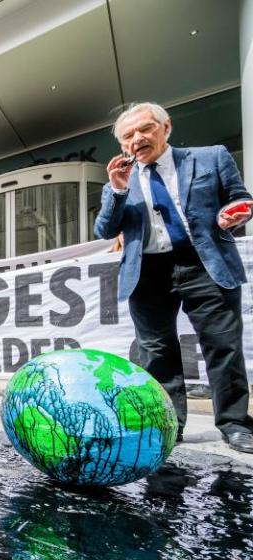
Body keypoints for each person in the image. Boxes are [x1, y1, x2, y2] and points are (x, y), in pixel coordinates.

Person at [94, 102, 253, 454]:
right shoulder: (118, 181)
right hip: (148, 272)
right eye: (128, 136)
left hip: (204, 263)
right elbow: (105, 229)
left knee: (223, 346)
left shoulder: (211, 157)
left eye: (145, 129)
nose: (138, 138)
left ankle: (235, 424)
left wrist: (235, 213)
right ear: (123, 145)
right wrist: (118, 190)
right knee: (156, 353)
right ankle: (169, 426)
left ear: (166, 128)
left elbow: (239, 198)